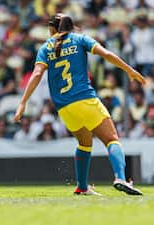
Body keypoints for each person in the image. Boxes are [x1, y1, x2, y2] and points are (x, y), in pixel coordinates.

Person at [14, 14, 146, 196]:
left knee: (84, 143)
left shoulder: (45, 48)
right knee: (112, 139)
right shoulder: (80, 39)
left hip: (64, 108)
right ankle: (121, 178)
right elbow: (106, 54)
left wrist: (23, 103)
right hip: (84, 99)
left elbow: (36, 74)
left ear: (52, 30)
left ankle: (82, 187)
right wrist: (130, 70)